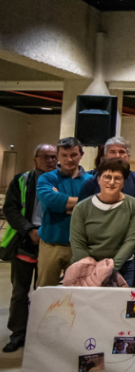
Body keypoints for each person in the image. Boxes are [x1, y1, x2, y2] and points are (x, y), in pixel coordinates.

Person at [1, 144, 57, 352]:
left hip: (52, 242)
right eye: (45, 157)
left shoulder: (61, 180)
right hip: (24, 242)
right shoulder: (21, 180)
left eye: (53, 157)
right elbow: (11, 209)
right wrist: (29, 230)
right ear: (35, 159)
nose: (50, 160)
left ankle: (42, 333)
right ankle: (18, 333)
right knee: (19, 291)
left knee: (45, 292)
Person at [69, 159, 135, 287]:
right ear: (98, 179)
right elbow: (77, 243)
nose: (111, 182)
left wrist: (109, 269)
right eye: (107, 177)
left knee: (119, 307)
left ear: (124, 182)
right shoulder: (81, 207)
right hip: (85, 268)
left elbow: (131, 241)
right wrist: (93, 270)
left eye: (117, 178)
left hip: (122, 268)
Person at [35, 137, 92, 287]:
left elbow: (96, 206)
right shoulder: (46, 178)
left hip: (80, 248)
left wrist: (65, 203)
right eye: (64, 155)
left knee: (78, 294)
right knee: (45, 291)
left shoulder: (91, 181)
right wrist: (83, 203)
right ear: (58, 156)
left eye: (73, 155)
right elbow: (51, 201)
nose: (69, 159)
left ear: (81, 154)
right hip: (51, 245)